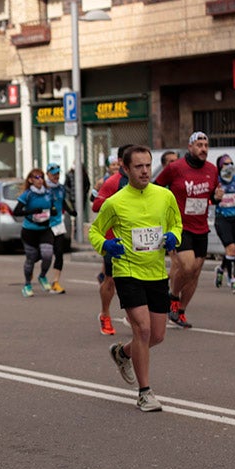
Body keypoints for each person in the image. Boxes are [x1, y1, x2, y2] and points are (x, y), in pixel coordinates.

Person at [89, 145, 182, 412]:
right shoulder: (115, 202)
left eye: (148, 165)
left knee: (158, 335)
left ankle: (123, 353)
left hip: (155, 271)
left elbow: (176, 223)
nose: (144, 171)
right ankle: (145, 392)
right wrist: (106, 247)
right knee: (142, 329)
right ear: (126, 169)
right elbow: (95, 232)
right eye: (138, 166)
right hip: (128, 271)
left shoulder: (164, 197)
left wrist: (175, 236)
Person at [154, 131, 221, 329]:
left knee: (195, 273)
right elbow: (156, 187)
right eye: (199, 145)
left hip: (201, 226)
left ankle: (180, 311)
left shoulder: (211, 169)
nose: (203, 149)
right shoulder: (175, 168)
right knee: (188, 265)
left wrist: (216, 197)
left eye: (206, 145)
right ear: (190, 147)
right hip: (179, 225)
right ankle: (173, 297)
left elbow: (212, 195)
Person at [91, 145, 133, 336]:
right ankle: (105, 314)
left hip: (137, 240)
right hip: (114, 240)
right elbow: (96, 206)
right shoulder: (112, 182)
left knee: (134, 281)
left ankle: (133, 315)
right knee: (111, 281)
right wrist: (115, 201)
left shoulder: (144, 183)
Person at [13, 167, 71, 296]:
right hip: (29, 231)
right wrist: (32, 212)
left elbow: (54, 207)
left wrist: (53, 211)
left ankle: (42, 276)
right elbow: (16, 212)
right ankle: (27, 285)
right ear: (31, 180)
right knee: (31, 258)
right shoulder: (27, 194)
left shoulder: (49, 193)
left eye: (41, 177)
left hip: (45, 229)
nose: (40, 180)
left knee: (47, 254)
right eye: (36, 177)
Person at [212, 155, 235, 294]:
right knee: (230, 247)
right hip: (222, 219)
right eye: (226, 164)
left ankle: (221, 269)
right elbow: (211, 199)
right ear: (220, 166)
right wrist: (215, 197)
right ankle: (232, 279)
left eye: (231, 163)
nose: (229, 166)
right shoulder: (216, 181)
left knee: (233, 250)